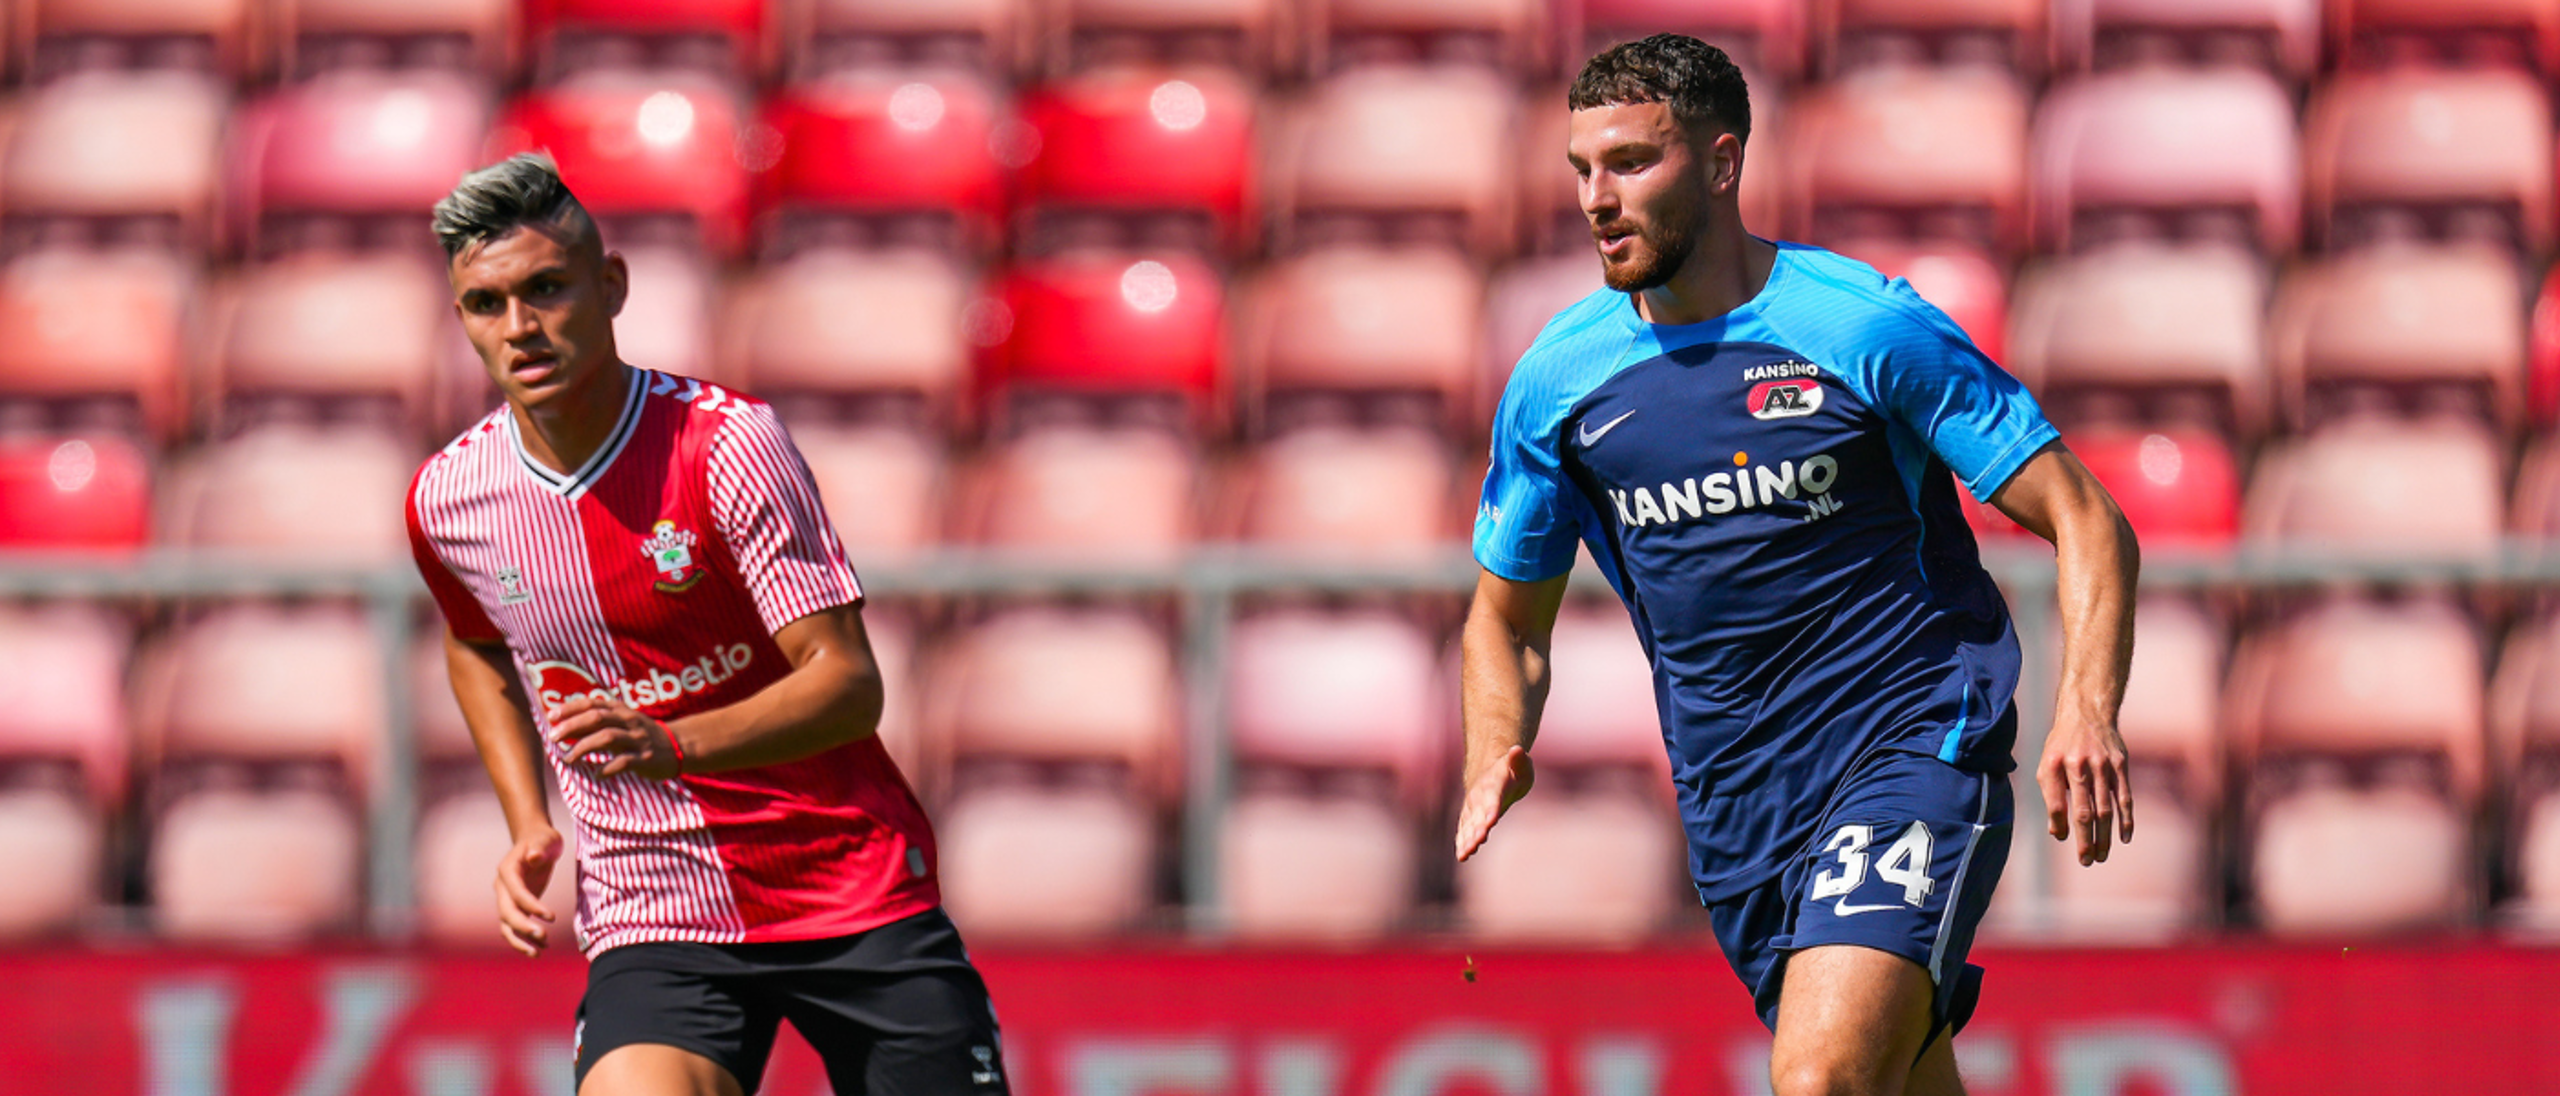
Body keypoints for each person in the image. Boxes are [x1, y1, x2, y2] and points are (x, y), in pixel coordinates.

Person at [1455, 35, 2139, 1096]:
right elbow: (1505, 620)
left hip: (1912, 743)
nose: (1597, 198)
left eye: (1631, 162)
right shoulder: (1558, 382)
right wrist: (1495, 742)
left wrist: (2086, 708)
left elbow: (2085, 516)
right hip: (1739, 807)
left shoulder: (1861, 325)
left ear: (1722, 163)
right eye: (1582, 168)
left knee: (1821, 1078)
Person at [407, 154, 1008, 1096]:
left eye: (547, 289)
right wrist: (527, 819)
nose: (520, 326)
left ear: (611, 287)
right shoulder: (449, 498)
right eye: (487, 304)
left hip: (846, 882)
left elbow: (848, 685)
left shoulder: (726, 445)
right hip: (655, 908)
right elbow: (475, 641)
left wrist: (671, 743)